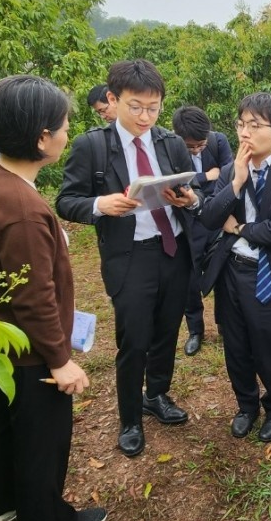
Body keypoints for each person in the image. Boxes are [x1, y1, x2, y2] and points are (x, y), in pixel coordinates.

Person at [0, 75, 106, 521]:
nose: (66, 133)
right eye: (62, 125)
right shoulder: (22, 207)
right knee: (42, 437)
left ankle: (4, 501)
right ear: (42, 138)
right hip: (27, 350)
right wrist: (60, 361)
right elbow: (34, 296)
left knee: (2, 421)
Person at [56, 60, 199, 459]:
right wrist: (103, 204)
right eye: (135, 107)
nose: (144, 117)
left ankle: (157, 394)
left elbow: (190, 192)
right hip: (130, 256)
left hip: (172, 251)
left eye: (153, 108)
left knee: (166, 331)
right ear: (113, 100)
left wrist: (188, 200)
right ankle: (130, 418)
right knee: (133, 340)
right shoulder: (93, 145)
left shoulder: (170, 142)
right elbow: (67, 200)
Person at [200, 92, 271, 443]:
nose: (244, 133)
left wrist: (240, 228)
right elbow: (209, 217)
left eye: (254, 125)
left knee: (265, 347)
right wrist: (235, 182)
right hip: (231, 270)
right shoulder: (234, 168)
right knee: (234, 346)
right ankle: (246, 405)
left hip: (266, 273)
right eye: (241, 124)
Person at [172, 105, 233, 356]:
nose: (197, 149)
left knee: (223, 271)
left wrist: (207, 181)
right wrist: (206, 176)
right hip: (188, 221)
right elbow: (175, 182)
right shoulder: (172, 147)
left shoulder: (219, 141)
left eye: (200, 144)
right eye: (191, 146)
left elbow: (229, 175)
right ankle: (195, 330)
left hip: (217, 217)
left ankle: (223, 325)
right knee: (189, 277)